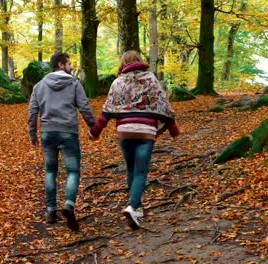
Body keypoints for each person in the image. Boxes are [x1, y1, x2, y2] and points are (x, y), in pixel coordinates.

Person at [89, 50, 179, 230]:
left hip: (125, 131)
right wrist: (173, 129)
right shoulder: (151, 79)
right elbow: (164, 105)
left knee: (131, 169)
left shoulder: (118, 82)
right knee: (141, 171)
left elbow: (107, 110)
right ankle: (132, 206)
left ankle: (136, 207)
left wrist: (96, 131)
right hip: (146, 131)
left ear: (123, 63)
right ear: (139, 61)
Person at [28, 52, 95, 231]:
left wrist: (33, 134)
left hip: (47, 134)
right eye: (69, 63)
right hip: (68, 133)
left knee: (50, 171)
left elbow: (32, 112)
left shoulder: (39, 86)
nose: (71, 66)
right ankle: (69, 205)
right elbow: (84, 106)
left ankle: (51, 211)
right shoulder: (74, 83)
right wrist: (93, 127)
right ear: (60, 64)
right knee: (73, 171)